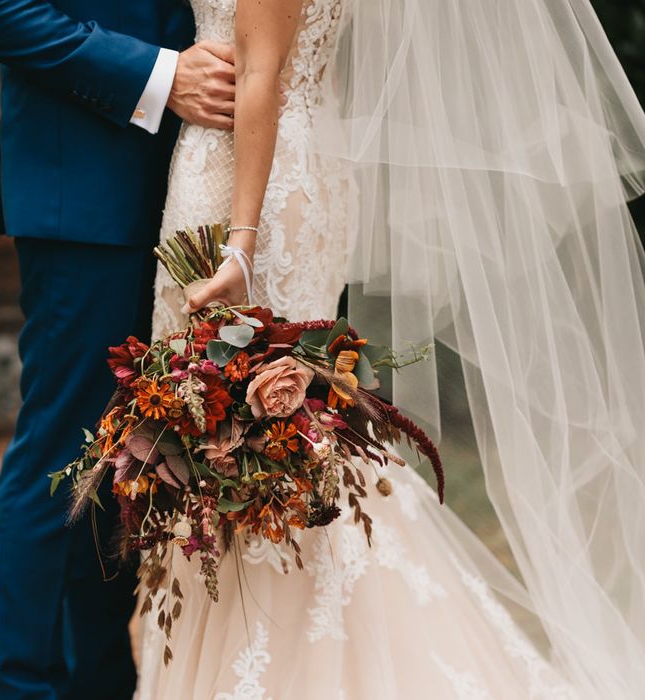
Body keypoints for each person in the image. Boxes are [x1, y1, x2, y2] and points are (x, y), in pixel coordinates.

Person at [140, 0, 645, 697]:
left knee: (263, 437)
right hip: (279, 167)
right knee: (257, 442)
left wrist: (240, 248)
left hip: (250, 187)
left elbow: (263, 75)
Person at [0, 1, 238, 697]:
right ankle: (30, 688)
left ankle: (101, 679)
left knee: (137, 454)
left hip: (203, 192)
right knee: (64, 448)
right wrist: (161, 77)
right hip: (82, 183)